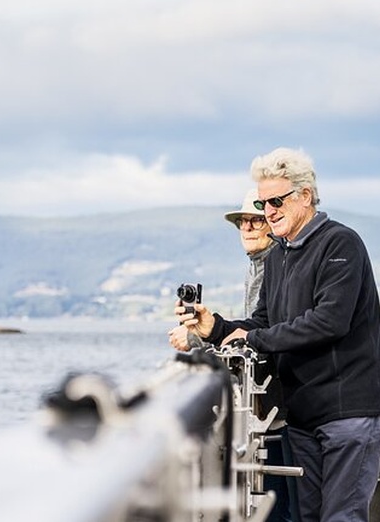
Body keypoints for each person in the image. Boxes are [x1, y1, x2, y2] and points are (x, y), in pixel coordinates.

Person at [175, 147, 380, 522]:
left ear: (305, 196)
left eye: (276, 201)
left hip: (349, 413)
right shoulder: (278, 256)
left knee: (341, 517)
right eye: (263, 204)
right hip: (303, 416)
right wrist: (216, 328)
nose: (269, 212)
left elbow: (329, 321)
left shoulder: (341, 243)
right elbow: (264, 320)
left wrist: (253, 340)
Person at [168, 188, 294, 522]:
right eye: (242, 222)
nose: (248, 228)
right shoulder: (257, 265)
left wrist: (198, 339)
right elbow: (253, 328)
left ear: (272, 221)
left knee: (278, 503)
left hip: (278, 404)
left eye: (256, 220)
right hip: (268, 403)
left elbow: (265, 332)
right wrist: (207, 333)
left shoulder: (275, 264)